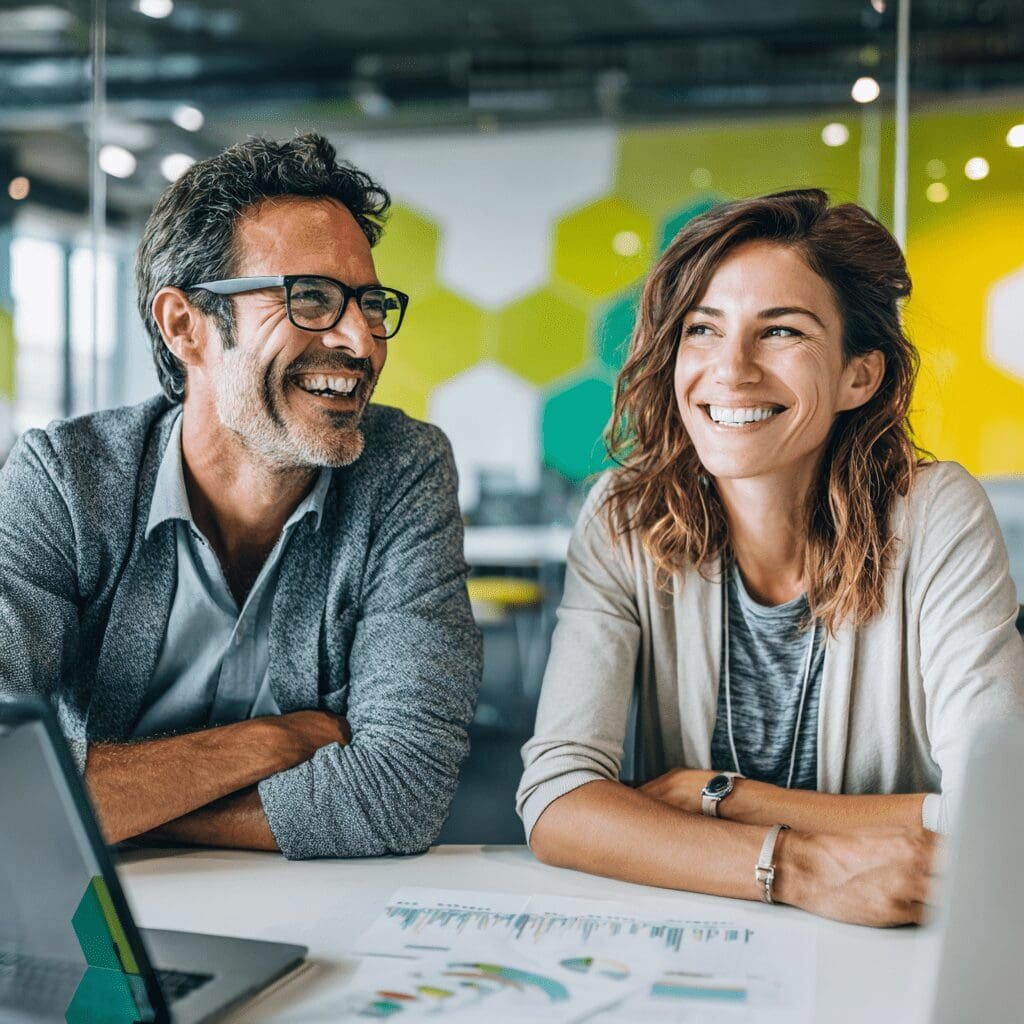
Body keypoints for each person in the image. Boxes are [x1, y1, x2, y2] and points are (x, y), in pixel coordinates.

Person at [517, 189, 1024, 927]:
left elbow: (996, 810)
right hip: (702, 935)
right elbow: (558, 800)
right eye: (702, 330)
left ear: (861, 375)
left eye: (780, 331)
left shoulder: (934, 513)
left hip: (888, 946)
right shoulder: (625, 515)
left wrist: (722, 796)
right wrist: (796, 866)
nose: (732, 369)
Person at [0, 133, 482, 860]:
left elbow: (398, 797)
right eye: (310, 298)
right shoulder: (65, 480)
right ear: (185, 325)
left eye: (370, 303)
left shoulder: (402, 470)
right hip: (105, 922)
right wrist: (273, 742)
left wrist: (92, 805)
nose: (361, 341)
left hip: (313, 923)